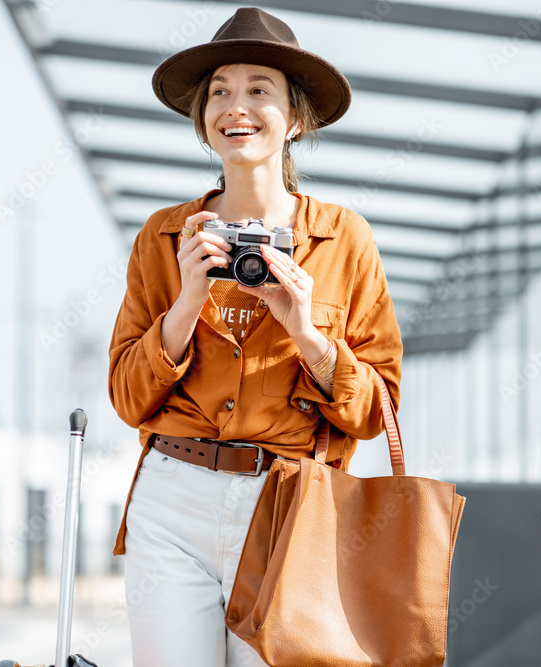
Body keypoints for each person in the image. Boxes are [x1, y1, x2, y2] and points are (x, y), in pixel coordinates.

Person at [107, 7, 403, 665]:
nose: (234, 105)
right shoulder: (163, 237)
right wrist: (187, 301)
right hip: (171, 497)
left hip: (289, 507)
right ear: (203, 116)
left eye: (258, 89)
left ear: (295, 119)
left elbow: (374, 409)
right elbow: (128, 397)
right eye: (219, 90)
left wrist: (306, 330)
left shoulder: (343, 239)